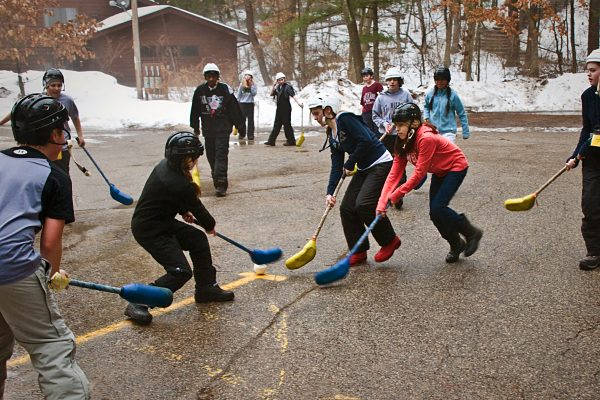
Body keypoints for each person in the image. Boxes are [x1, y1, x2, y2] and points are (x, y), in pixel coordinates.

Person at [0, 94, 90, 399]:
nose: (65, 136)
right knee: (53, 346)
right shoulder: (55, 176)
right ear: (54, 134)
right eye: (63, 129)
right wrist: (49, 274)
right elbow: (50, 242)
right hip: (11, 266)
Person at [125, 132, 234, 325]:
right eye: (195, 158)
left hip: (161, 221)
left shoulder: (167, 167)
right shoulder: (178, 182)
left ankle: (206, 288)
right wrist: (210, 225)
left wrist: (182, 209)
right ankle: (139, 301)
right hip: (150, 230)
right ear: (185, 158)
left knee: (197, 240)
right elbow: (198, 208)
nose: (196, 162)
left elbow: (171, 197)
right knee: (180, 271)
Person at [376, 103, 483, 263]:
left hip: (456, 166)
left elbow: (419, 174)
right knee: (435, 214)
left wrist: (398, 193)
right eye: (396, 125)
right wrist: (382, 202)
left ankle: (471, 232)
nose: (397, 129)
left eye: (401, 125)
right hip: (440, 170)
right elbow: (394, 174)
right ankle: (456, 244)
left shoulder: (425, 138)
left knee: (438, 207)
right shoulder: (401, 141)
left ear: (414, 123)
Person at [308, 95, 401, 266]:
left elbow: (366, 140)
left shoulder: (346, 119)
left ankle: (390, 241)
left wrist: (350, 162)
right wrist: (330, 192)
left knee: (364, 204)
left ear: (328, 111)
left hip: (380, 163)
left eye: (316, 113)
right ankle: (358, 251)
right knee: (347, 208)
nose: (315, 117)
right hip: (364, 167)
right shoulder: (332, 132)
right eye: (313, 114)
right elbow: (336, 165)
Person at [0, 68, 86, 175]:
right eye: (53, 85)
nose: (57, 88)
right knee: (43, 171)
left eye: (59, 85)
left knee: (62, 173)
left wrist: (80, 136)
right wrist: (1, 122)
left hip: (62, 144)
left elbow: (75, 117)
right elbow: (17, 110)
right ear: (46, 85)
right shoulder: (38, 100)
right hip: (43, 144)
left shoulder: (67, 101)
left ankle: (64, 191)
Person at [565, 48, 600, 271]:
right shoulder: (588, 96)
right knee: (590, 204)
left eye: (593, 70)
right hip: (593, 161)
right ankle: (593, 251)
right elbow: (587, 129)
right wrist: (575, 156)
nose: (589, 75)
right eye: (588, 71)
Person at [190, 63, 243, 197]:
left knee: (221, 154)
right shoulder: (200, 91)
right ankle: (216, 176)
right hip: (208, 129)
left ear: (218, 77)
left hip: (223, 128)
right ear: (205, 77)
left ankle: (221, 183)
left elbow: (234, 108)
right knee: (211, 155)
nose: (211, 79)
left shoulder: (225, 89)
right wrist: (195, 126)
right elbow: (195, 110)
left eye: (214, 76)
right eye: (209, 76)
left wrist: (239, 125)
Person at [372, 67, 414, 208]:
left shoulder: (406, 95)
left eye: (395, 79)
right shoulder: (381, 97)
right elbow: (375, 115)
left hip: (401, 136)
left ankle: (398, 196)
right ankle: (386, 193)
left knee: (400, 164)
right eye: (389, 80)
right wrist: (384, 124)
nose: (392, 82)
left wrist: (405, 125)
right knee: (387, 165)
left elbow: (414, 112)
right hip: (387, 137)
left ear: (399, 81)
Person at [423, 66, 470, 143]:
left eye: (442, 79)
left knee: (446, 154)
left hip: (449, 132)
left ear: (447, 80)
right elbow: (426, 107)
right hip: (433, 131)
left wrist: (465, 132)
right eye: (437, 79)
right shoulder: (430, 94)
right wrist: (426, 117)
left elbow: (462, 114)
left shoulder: (453, 95)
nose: (439, 82)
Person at [264, 72, 303, 146]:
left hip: (286, 109)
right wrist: (274, 85)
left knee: (287, 125)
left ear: (284, 79)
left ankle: (291, 141)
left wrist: (299, 103)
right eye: (279, 80)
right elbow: (271, 94)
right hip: (279, 109)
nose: (281, 81)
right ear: (277, 81)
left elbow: (293, 95)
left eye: (282, 79)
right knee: (276, 125)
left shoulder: (287, 87)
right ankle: (271, 141)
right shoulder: (278, 87)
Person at [359, 67, 384, 135]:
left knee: (377, 130)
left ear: (371, 76)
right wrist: (363, 112)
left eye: (367, 76)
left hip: (375, 112)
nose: (365, 78)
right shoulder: (364, 88)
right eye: (364, 76)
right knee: (368, 131)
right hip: (366, 113)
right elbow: (363, 102)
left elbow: (383, 98)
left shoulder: (377, 85)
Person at [236, 70, 257, 141]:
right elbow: (239, 94)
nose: (247, 77)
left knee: (251, 120)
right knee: (242, 120)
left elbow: (254, 94)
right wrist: (237, 103)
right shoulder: (241, 85)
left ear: (251, 77)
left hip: (250, 104)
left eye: (249, 76)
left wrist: (250, 86)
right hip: (242, 104)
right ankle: (242, 134)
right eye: (246, 76)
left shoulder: (253, 84)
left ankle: (250, 135)